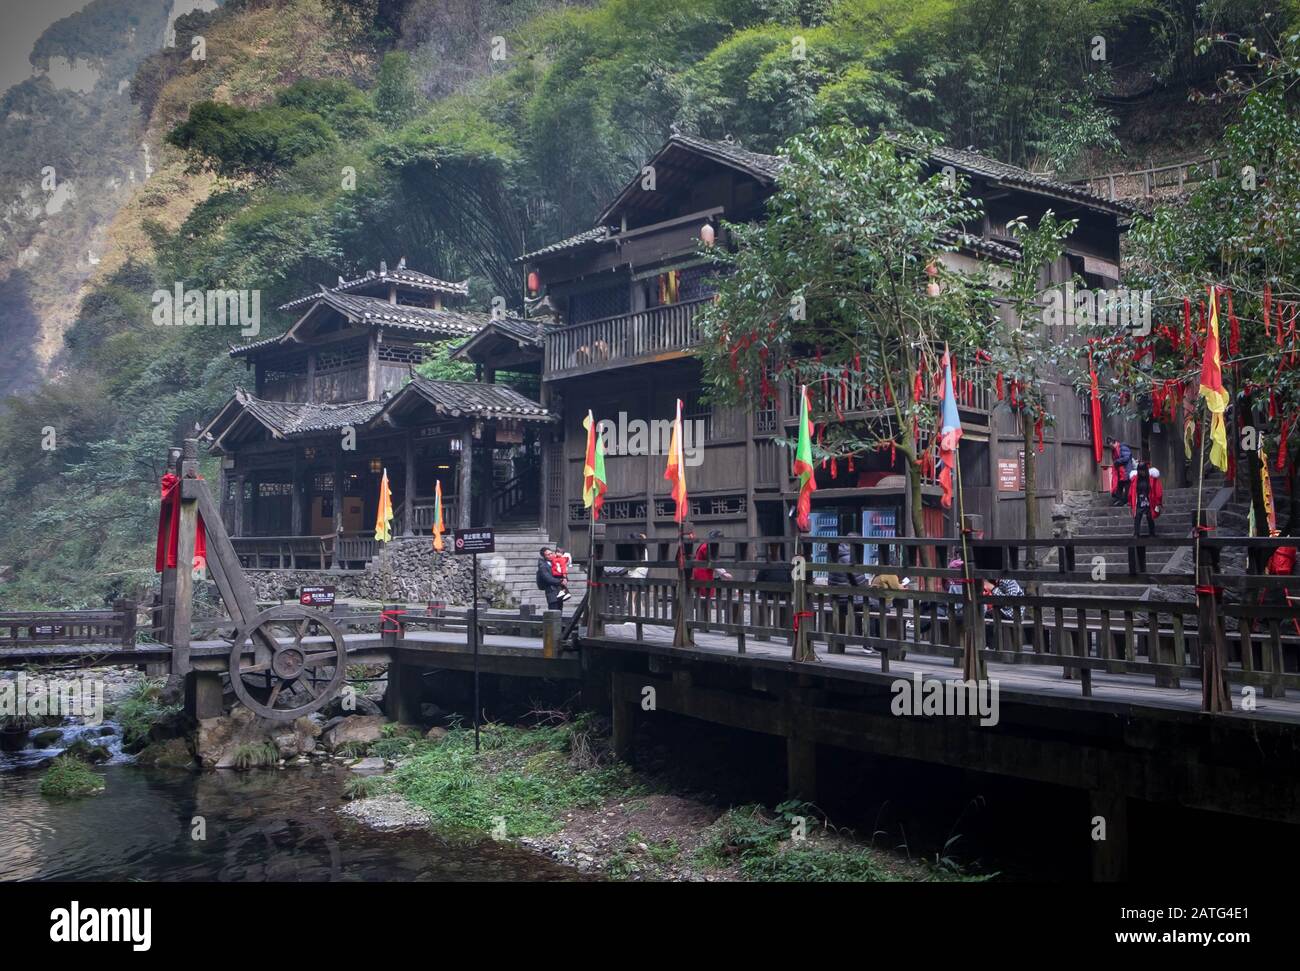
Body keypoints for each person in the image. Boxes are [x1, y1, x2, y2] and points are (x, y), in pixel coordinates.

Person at [827, 533, 867, 637]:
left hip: (834, 599)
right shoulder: (849, 558)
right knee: (882, 606)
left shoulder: (835, 555)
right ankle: (871, 641)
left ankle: (857, 635)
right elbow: (861, 584)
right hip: (846, 600)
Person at [1128, 461, 1163, 572]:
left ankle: (1152, 533)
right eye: (1140, 470)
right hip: (1139, 501)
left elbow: (1158, 490)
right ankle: (1136, 533)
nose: (1142, 472)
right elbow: (1131, 492)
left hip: (1149, 500)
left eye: (1143, 470)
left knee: (1149, 517)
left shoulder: (1152, 478)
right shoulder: (1135, 479)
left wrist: (1158, 502)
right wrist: (1130, 503)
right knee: (1137, 517)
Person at [1108, 437, 1133, 505]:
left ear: (1115, 442)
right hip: (1120, 472)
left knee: (1127, 487)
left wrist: (1117, 461)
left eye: (1111, 445)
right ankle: (1119, 500)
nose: (1111, 447)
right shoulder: (1114, 450)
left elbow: (1126, 458)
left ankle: (1126, 501)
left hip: (1126, 470)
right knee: (1119, 486)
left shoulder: (1123, 448)